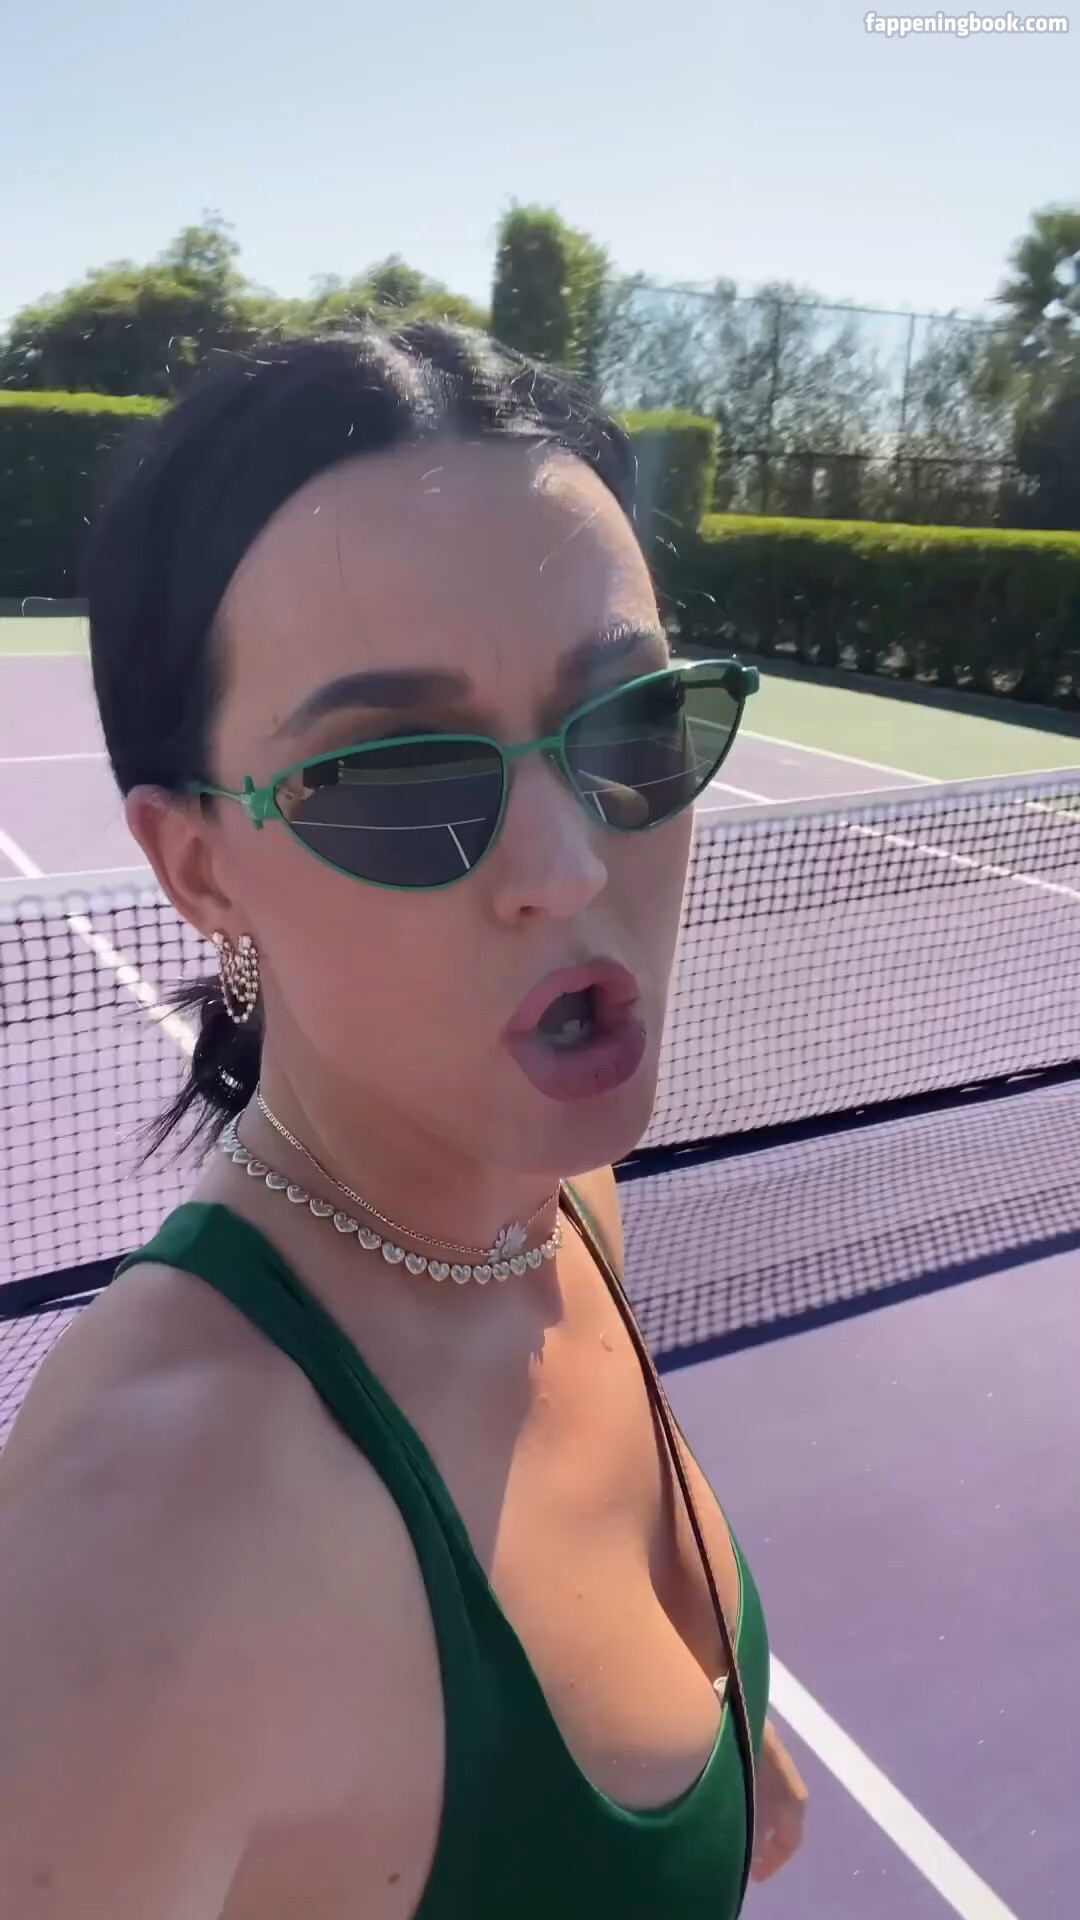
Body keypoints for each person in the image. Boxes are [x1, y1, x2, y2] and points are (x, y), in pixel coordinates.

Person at [0, 325, 806, 1917]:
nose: (568, 868)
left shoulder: (563, 1202)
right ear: (197, 867)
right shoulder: (139, 1550)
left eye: (634, 722)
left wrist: (740, 1743)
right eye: (394, 779)